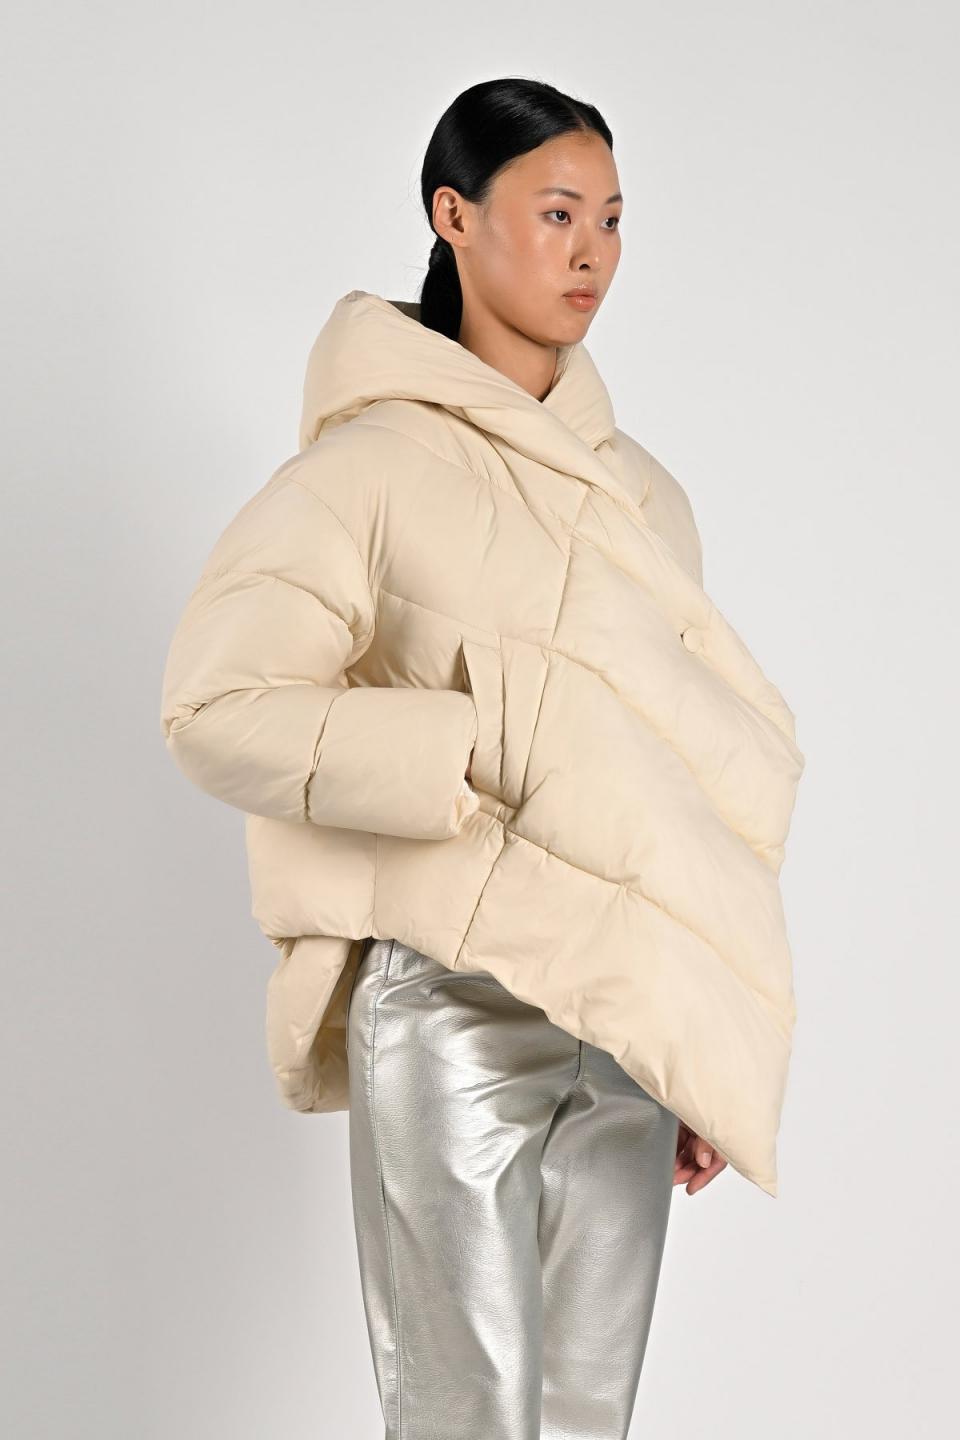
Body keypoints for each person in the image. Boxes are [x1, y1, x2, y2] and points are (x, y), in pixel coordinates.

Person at [160, 76, 805, 1440]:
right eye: (557, 213)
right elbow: (214, 706)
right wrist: (476, 739)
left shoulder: (646, 498)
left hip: (623, 1025)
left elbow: (678, 770)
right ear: (454, 217)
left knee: (583, 1422)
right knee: (467, 1423)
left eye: (613, 220)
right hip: (455, 1006)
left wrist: (691, 1029)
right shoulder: (367, 468)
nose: (592, 253)